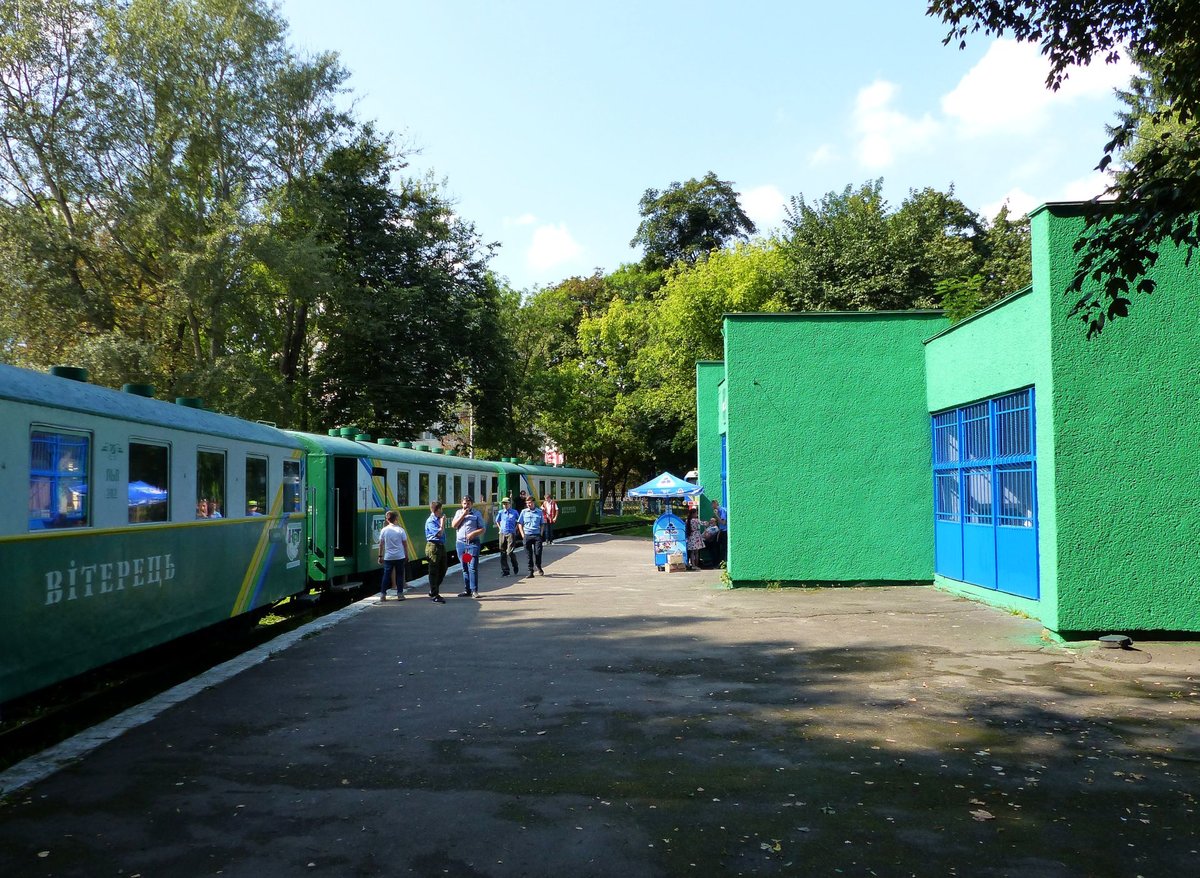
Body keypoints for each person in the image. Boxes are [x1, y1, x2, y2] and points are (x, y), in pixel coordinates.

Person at [452, 495, 485, 598]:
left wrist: (473, 534)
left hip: (473, 544)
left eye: (468, 503)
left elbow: (482, 529)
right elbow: (454, 525)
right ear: (462, 504)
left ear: (472, 504)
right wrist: (463, 515)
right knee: (464, 567)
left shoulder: (477, 514)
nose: (466, 505)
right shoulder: (458, 513)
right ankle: (467, 590)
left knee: (473, 567)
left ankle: (474, 590)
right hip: (461, 544)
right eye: (464, 503)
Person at [377, 509, 408, 601]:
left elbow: (381, 544)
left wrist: (380, 556)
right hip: (399, 556)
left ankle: (383, 595)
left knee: (386, 575)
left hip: (388, 557)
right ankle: (400, 594)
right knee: (399, 575)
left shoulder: (384, 530)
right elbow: (405, 545)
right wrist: (407, 555)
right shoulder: (400, 530)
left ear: (387, 520)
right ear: (396, 519)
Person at [424, 501, 447, 602]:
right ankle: (434, 594)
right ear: (437, 510)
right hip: (433, 546)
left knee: (443, 568)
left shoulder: (437, 519)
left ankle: (434, 589)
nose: (442, 511)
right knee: (434, 571)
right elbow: (439, 534)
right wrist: (442, 523)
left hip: (441, 546)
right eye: (441, 509)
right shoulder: (431, 521)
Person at [517, 495, 545, 578]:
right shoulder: (524, 512)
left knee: (538, 553)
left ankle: (538, 566)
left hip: (537, 535)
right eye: (527, 503)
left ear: (533, 503)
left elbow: (542, 524)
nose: (528, 504)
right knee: (528, 555)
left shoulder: (539, 512)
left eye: (530, 503)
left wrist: (541, 533)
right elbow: (519, 523)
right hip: (527, 535)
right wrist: (522, 534)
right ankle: (530, 571)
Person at [495, 496, 521, 576]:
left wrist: (516, 528)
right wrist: (500, 529)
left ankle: (515, 565)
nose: (505, 505)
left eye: (506, 504)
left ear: (510, 504)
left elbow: (519, 521)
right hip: (502, 533)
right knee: (502, 552)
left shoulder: (514, 512)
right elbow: (497, 521)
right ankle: (505, 570)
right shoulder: (501, 512)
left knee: (509, 552)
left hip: (511, 533)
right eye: (504, 504)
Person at [710, 499, 728, 566]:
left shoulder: (722, 511)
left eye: (712, 504)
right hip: (721, 531)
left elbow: (723, 522)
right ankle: (718, 561)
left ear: (715, 504)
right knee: (715, 545)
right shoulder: (719, 511)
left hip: (724, 531)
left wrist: (716, 515)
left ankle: (722, 562)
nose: (711, 506)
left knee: (723, 547)